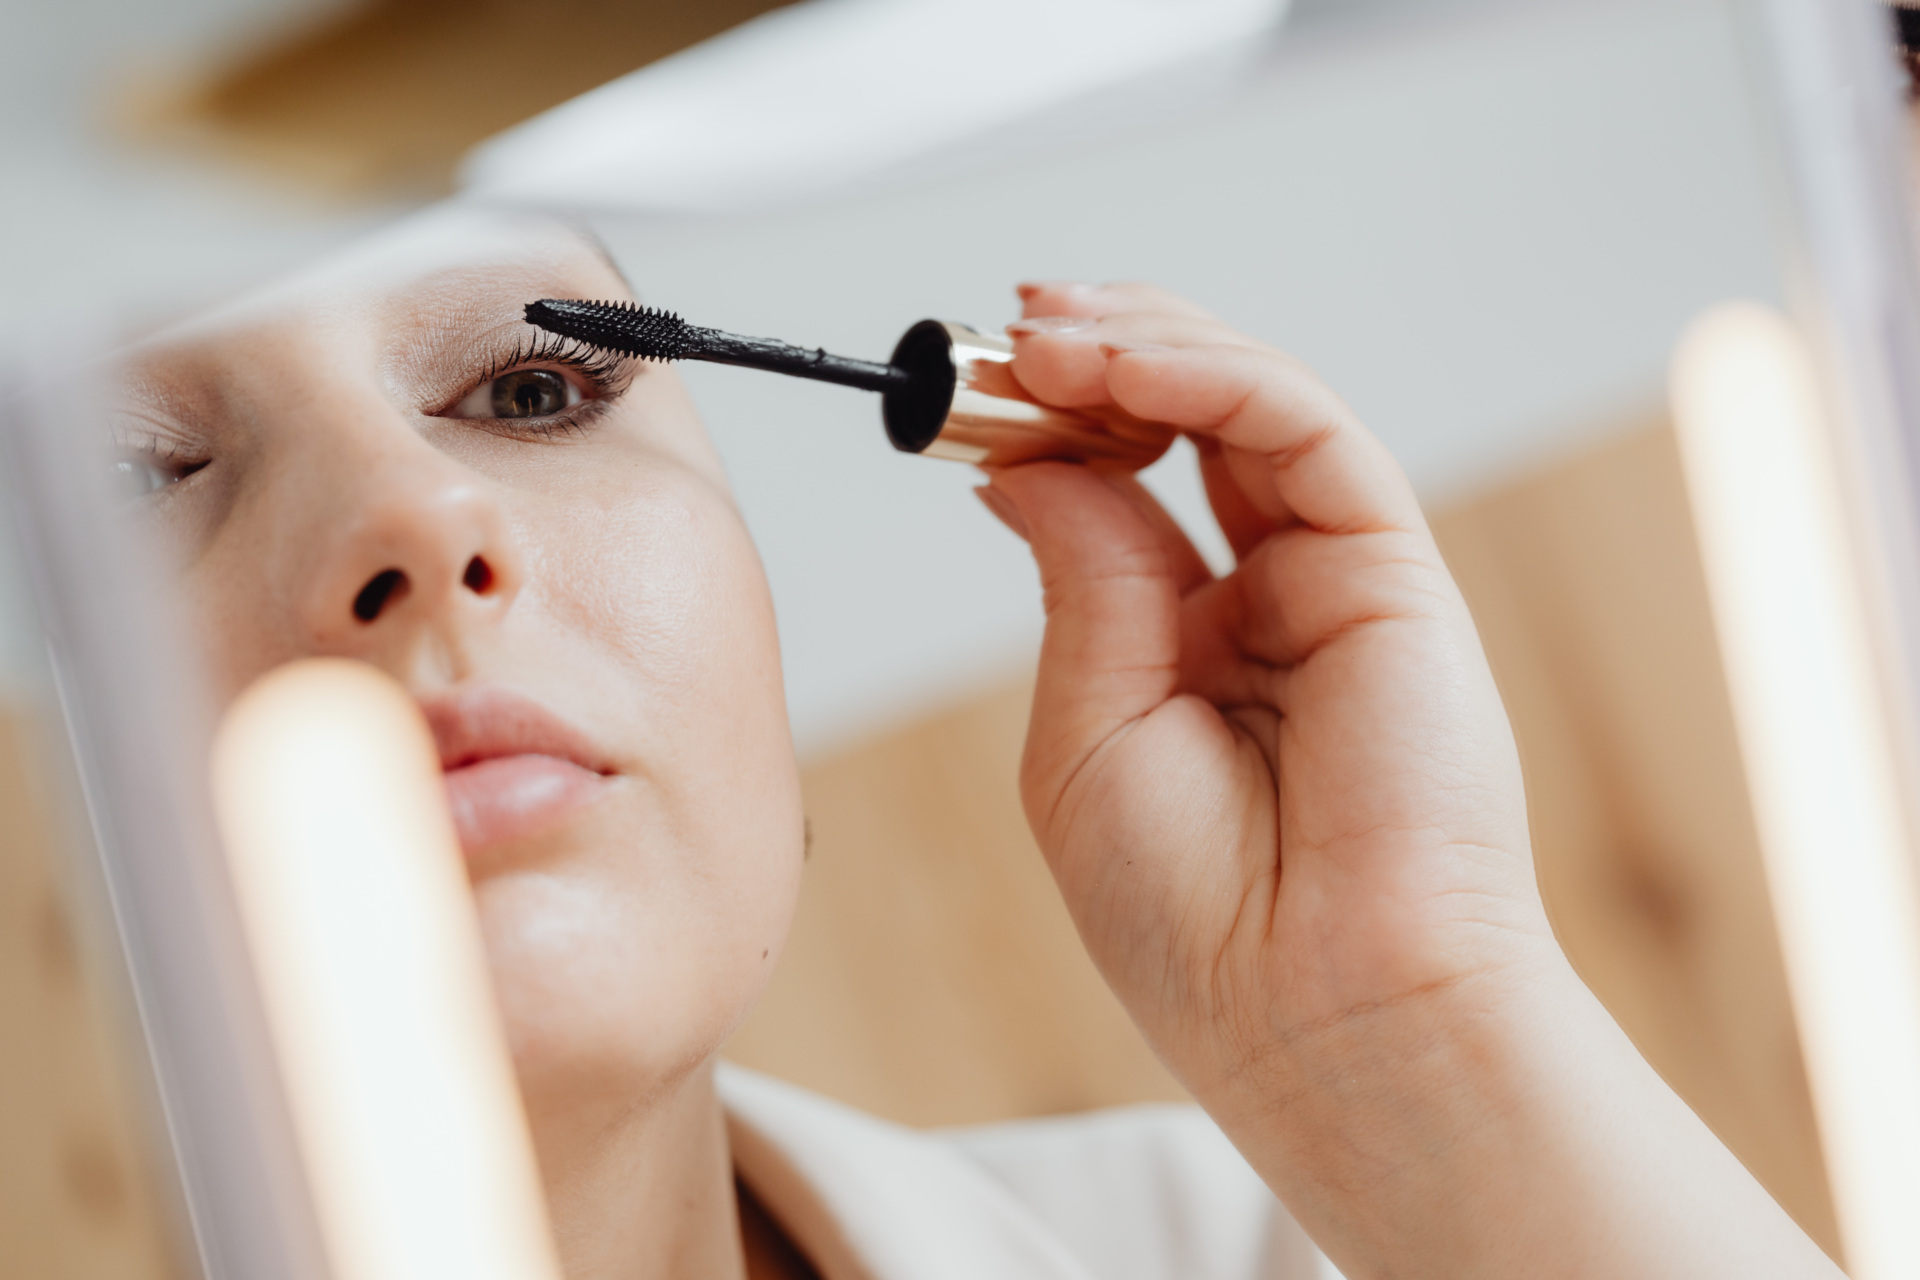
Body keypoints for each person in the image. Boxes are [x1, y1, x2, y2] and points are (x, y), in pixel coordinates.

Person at [107, 205, 1842, 1280]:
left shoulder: (1216, 1254)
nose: (419, 515)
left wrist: (1409, 1033)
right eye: (118, 482)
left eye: (532, 388)